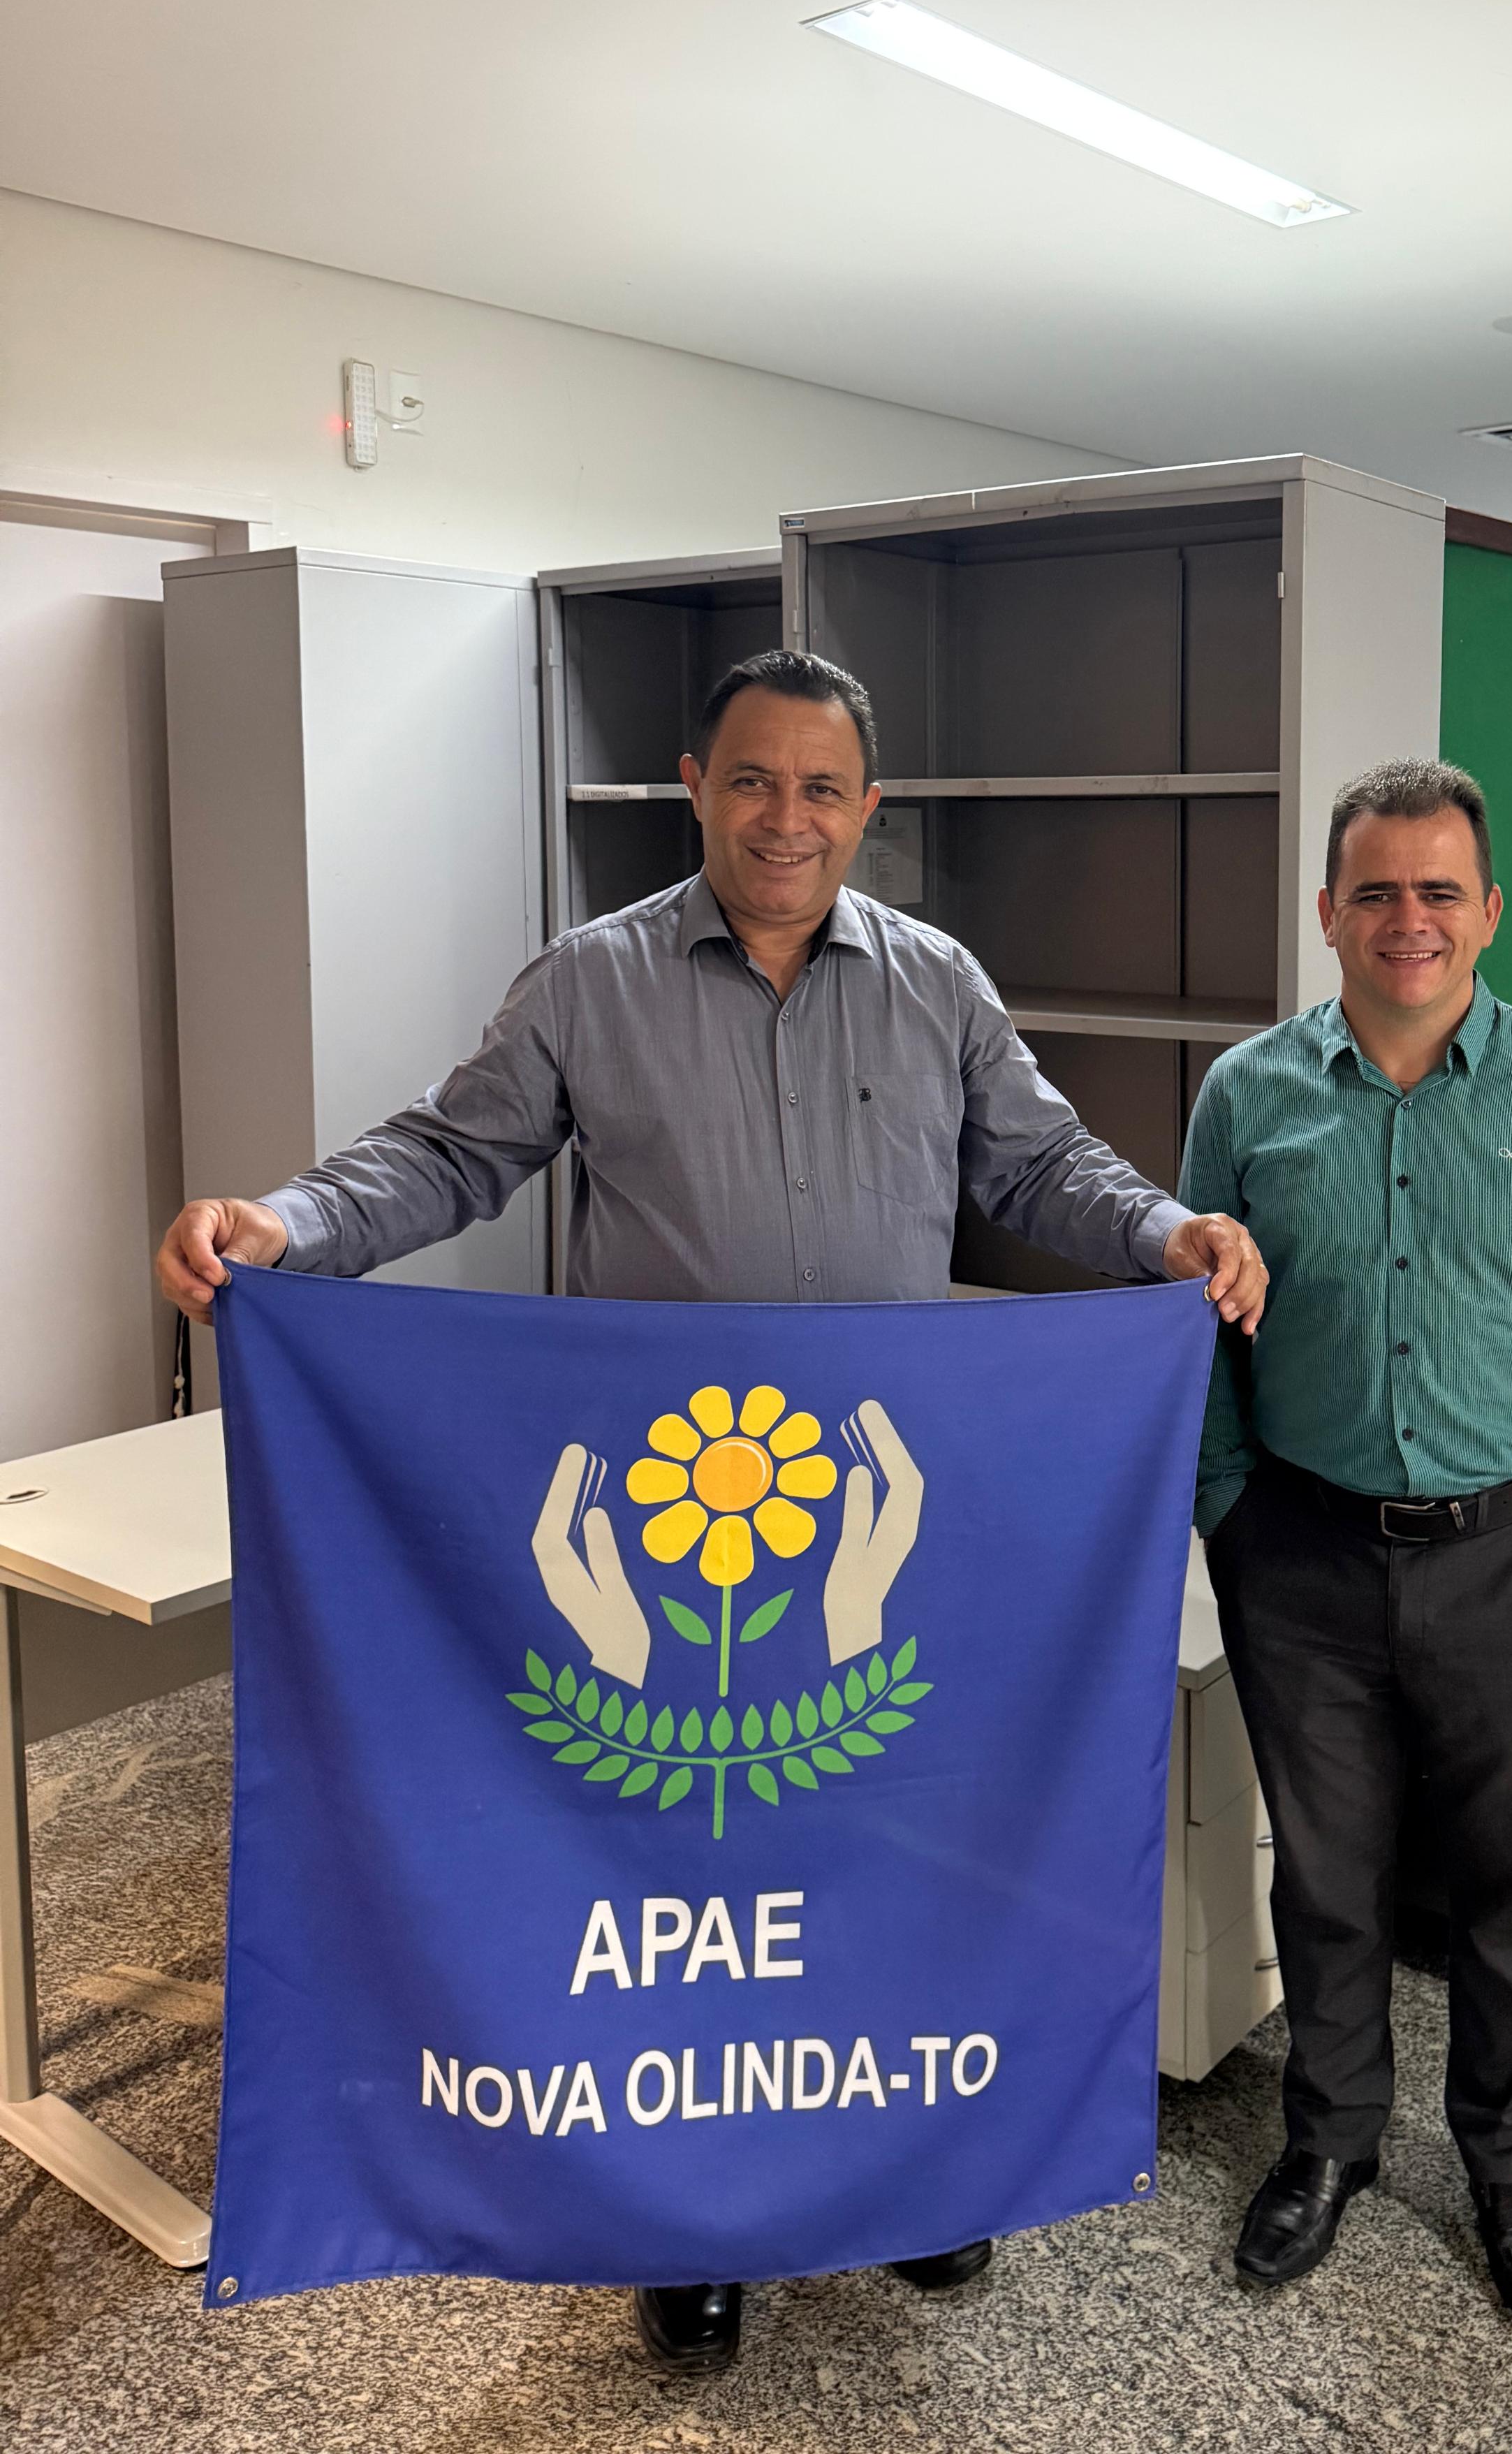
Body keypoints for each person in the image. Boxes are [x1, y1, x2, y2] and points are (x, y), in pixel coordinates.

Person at [158, 646, 1267, 2376]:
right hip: (682, 1537)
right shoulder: (590, 983)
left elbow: (1038, 1163)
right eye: (755, 780)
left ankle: (907, 2170)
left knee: (888, 1845)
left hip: (869, 1522)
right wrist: (286, 1225)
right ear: (694, 782)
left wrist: (1164, 1235)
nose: (787, 818)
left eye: (824, 787)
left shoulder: (938, 983)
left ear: (869, 809)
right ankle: (693, 2218)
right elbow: (451, 1155)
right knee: (706, 1869)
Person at [1178, 756, 1512, 2329]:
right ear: (1328, 911)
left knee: (1511, 1888)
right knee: (1325, 1879)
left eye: (1438, 890)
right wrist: (1228, 1516)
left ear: (1489, 911)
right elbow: (1195, 1334)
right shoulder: (1246, 1096)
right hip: (1301, 1556)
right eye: (1376, 891)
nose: (1409, 920)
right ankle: (1328, 2143)